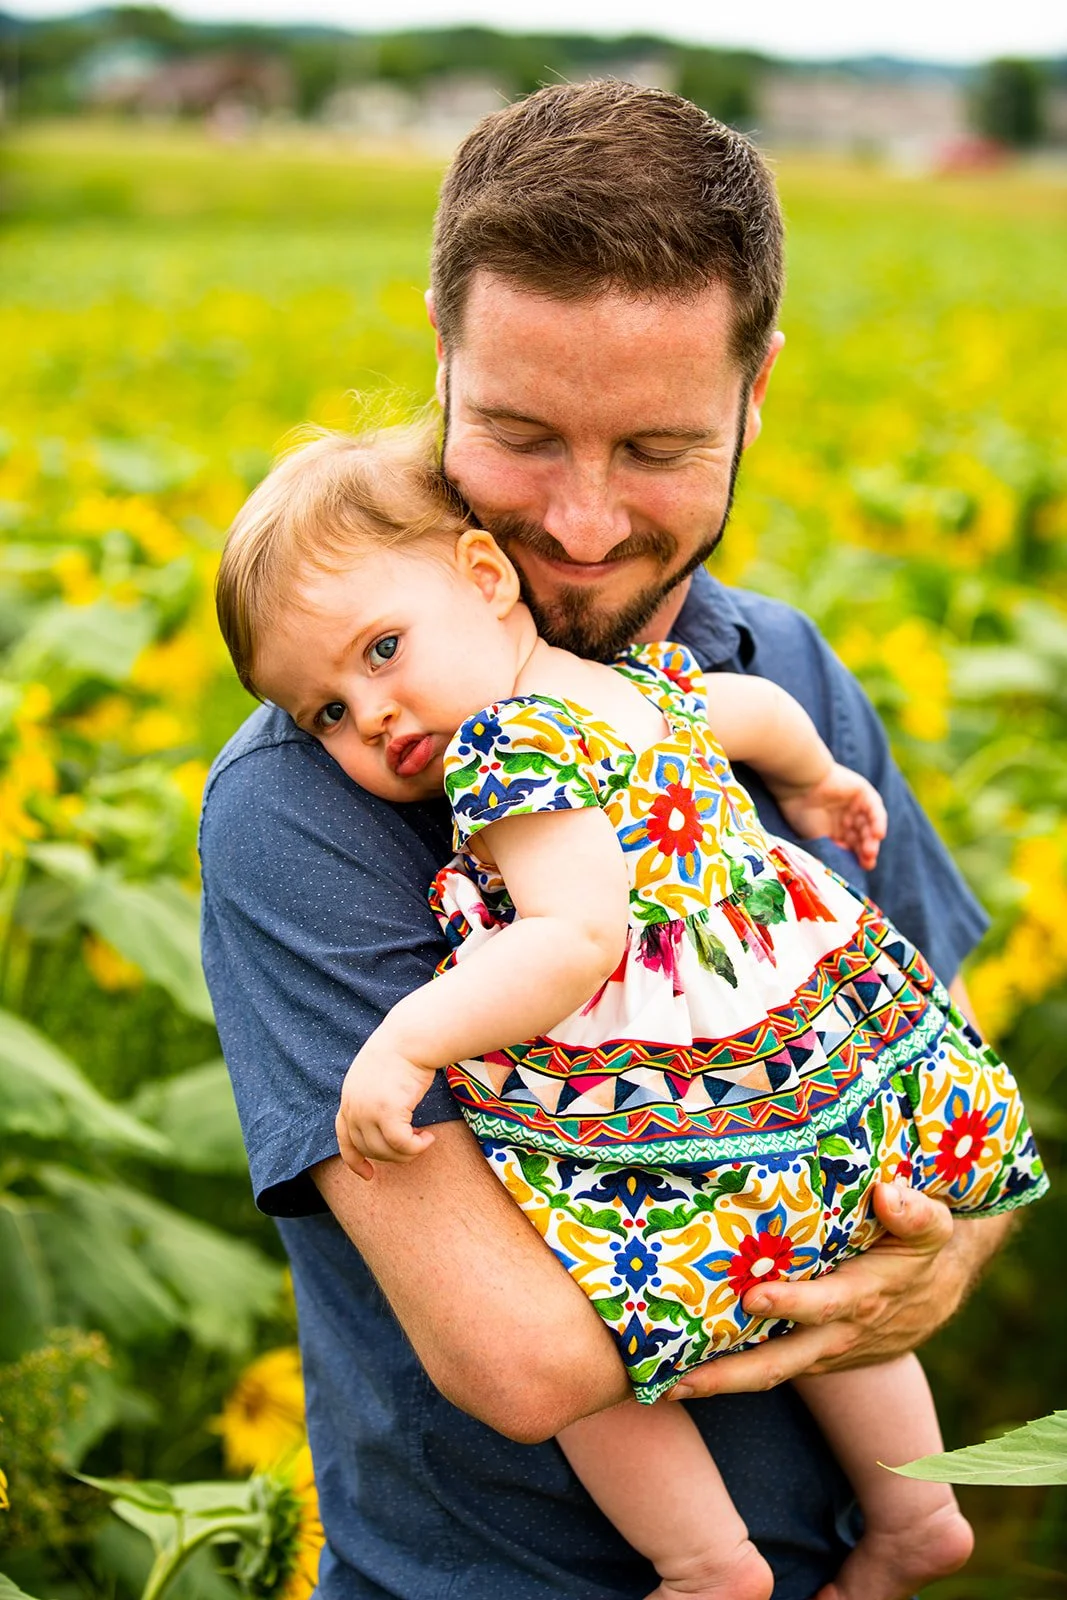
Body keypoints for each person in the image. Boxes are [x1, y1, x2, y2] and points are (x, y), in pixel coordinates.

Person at [201, 83, 1021, 1599]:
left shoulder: (775, 663)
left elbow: (947, 1099)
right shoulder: (309, 800)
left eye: (655, 446)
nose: (581, 528)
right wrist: (859, 1229)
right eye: (521, 437)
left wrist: (944, 1257)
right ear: (444, 361)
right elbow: (523, 1363)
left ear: (754, 390)